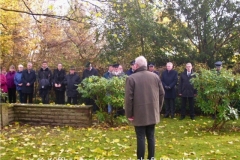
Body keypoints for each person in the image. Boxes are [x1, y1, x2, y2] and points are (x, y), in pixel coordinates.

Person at [125, 56, 165, 160]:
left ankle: (141, 158)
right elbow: (162, 94)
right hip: (152, 112)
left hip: (139, 114)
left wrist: (129, 114)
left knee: (141, 136)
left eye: (134, 64)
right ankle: (151, 157)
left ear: (137, 65)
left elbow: (128, 99)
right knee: (151, 136)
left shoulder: (131, 78)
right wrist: (158, 109)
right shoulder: (155, 77)